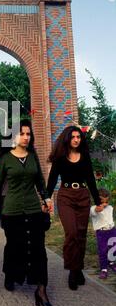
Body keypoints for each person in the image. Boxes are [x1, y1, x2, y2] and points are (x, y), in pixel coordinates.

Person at [0, 119, 55, 306]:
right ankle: (11, 274)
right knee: (14, 246)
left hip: (34, 210)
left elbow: (40, 183)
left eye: (28, 134)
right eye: (22, 134)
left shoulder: (33, 157)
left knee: (38, 249)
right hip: (12, 211)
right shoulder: (5, 159)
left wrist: (46, 199)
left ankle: (41, 289)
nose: (26, 137)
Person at [47, 125, 102, 291]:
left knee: (81, 234)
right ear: (67, 139)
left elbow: (91, 180)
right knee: (71, 233)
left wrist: (98, 201)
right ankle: (72, 270)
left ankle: (78, 269)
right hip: (65, 196)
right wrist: (46, 198)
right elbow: (52, 179)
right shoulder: (60, 157)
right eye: (73, 137)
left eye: (78, 137)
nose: (76, 140)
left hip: (83, 196)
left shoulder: (84, 156)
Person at [90, 188, 116, 279]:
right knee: (103, 250)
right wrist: (98, 208)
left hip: (112, 230)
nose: (104, 204)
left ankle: (111, 262)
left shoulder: (110, 208)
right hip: (101, 233)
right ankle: (104, 269)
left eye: (106, 201)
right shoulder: (93, 208)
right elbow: (95, 211)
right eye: (102, 201)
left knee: (113, 247)